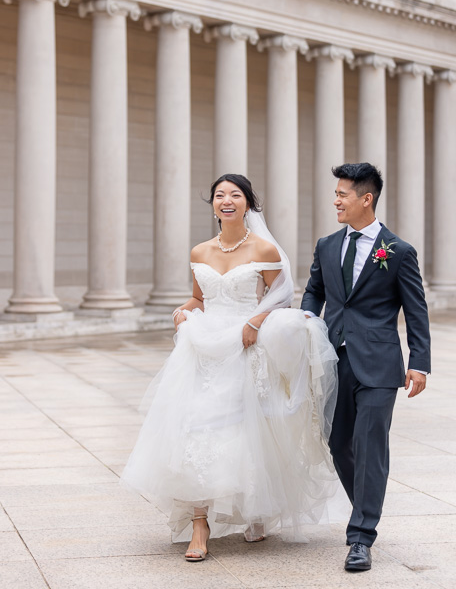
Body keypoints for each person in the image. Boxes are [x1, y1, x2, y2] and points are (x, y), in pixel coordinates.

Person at [122, 174, 338, 561]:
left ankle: (257, 510)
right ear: (213, 204)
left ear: (248, 204)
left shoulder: (264, 248)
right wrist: (182, 311)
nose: (226, 200)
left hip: (243, 344)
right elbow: (198, 298)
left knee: (245, 430)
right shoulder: (200, 251)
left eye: (235, 195)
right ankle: (199, 522)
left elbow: (282, 296)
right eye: (220, 195)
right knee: (194, 427)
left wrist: (254, 322)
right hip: (202, 349)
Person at [301, 162, 431, 572]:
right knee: (339, 444)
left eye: (342, 194)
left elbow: (416, 310)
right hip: (333, 358)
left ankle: (360, 537)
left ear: (366, 198)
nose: (335, 200)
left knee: (371, 447)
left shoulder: (397, 251)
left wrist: (420, 363)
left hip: (379, 364)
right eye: (336, 193)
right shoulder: (326, 244)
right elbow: (314, 292)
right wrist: (306, 324)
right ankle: (367, 505)